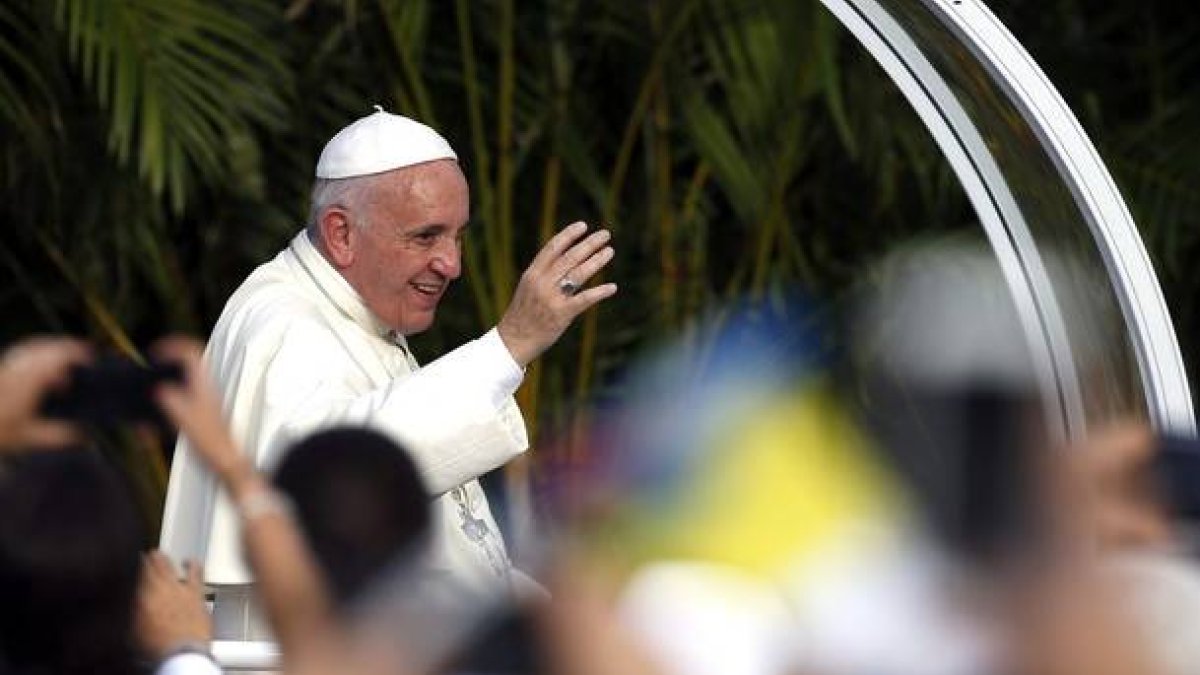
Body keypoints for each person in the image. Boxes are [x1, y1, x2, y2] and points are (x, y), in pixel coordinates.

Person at [159, 107, 618, 639]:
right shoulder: (284, 325)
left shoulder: (358, 317)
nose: (452, 264)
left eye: (457, 236)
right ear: (341, 234)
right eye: (426, 237)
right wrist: (510, 345)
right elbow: (337, 481)